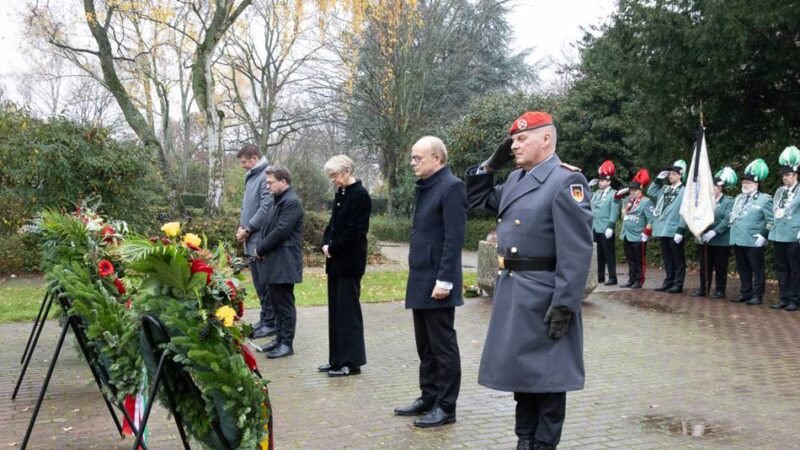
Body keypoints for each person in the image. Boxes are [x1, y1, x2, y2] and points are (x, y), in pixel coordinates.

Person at [465, 112, 592, 450]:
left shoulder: (566, 181)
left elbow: (576, 251)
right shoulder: (518, 180)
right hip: (514, 293)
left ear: (546, 140)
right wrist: (489, 167)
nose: (513, 145)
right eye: (512, 140)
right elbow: (477, 201)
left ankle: (542, 445)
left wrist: (565, 304)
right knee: (523, 380)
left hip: (545, 296)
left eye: (522, 138)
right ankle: (525, 442)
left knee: (549, 384)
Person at [393, 136, 466, 429]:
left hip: (438, 280)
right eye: (412, 158)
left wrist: (445, 280)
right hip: (421, 277)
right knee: (425, 345)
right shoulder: (427, 187)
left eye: (418, 158)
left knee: (443, 347)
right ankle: (429, 396)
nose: (413, 163)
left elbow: (453, 238)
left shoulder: (452, 186)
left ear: (437, 158)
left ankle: (446, 407)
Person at [319, 155, 371, 376]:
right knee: (336, 312)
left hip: (349, 262)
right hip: (335, 262)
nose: (333, 180)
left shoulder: (360, 196)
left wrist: (333, 248)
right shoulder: (340, 195)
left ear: (347, 171)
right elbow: (333, 224)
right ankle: (336, 359)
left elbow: (355, 231)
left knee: (348, 313)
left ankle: (351, 362)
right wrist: (324, 242)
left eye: (334, 175)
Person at [256, 166, 304, 358]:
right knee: (276, 303)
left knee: (284, 303)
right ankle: (279, 339)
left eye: (270, 182)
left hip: (284, 262)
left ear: (283, 181)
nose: (268, 186)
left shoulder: (291, 202)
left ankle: (286, 343)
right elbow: (268, 228)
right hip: (275, 261)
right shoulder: (278, 201)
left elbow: (281, 231)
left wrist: (260, 247)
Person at [236, 144, 275, 339]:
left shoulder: (264, 175)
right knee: (259, 284)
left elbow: (266, 207)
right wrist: (242, 227)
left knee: (265, 283)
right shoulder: (252, 175)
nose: (242, 166)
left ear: (253, 158)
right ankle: (265, 319)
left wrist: (248, 228)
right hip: (250, 240)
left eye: (244, 162)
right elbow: (249, 206)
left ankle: (271, 323)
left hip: (259, 241)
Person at [729, 159, 773, 305]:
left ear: (756, 184)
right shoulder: (739, 198)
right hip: (738, 239)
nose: (745, 185)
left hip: (754, 240)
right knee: (743, 268)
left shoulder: (764, 200)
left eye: (748, 183)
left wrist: (764, 234)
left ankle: (757, 295)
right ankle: (745, 292)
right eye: (743, 183)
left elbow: (772, 220)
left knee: (757, 269)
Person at [691, 168, 736, 298]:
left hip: (720, 240)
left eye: (714, 187)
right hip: (704, 239)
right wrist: (698, 230)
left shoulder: (728, 201)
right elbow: (697, 216)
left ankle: (720, 290)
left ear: (720, 188)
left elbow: (727, 219)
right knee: (705, 266)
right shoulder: (703, 201)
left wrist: (715, 232)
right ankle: (703, 288)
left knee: (720, 266)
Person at [768, 146, 800, 310]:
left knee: (795, 269)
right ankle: (784, 297)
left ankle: (795, 299)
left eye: (788, 175)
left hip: (794, 235)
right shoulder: (780, 191)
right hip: (778, 234)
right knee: (781, 268)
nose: (784, 178)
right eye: (783, 175)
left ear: (795, 174)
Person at [648, 160, 687, 294]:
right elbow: (651, 192)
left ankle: (678, 283)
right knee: (667, 258)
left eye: (673, 174)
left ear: (680, 175)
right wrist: (659, 179)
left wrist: (681, 229)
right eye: (669, 174)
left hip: (674, 229)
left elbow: (685, 211)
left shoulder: (685, 191)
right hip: (662, 229)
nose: (670, 176)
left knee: (678, 259)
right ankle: (669, 281)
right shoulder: (664, 189)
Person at [615, 169, 654, 289]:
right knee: (630, 259)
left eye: (635, 190)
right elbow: (616, 197)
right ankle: (631, 279)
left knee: (639, 260)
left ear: (640, 190)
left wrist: (646, 232)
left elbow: (651, 219)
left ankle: (639, 280)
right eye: (631, 190)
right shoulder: (627, 201)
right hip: (627, 234)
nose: (632, 193)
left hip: (638, 235)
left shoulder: (646, 202)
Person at [589, 160, 620, 285]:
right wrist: (589, 186)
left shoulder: (614, 194)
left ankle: (612, 277)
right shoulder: (596, 193)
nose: (600, 182)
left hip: (606, 227)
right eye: (599, 181)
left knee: (609, 254)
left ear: (609, 181)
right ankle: (600, 275)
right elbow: (589, 201)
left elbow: (614, 211)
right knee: (598, 254)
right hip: (595, 227)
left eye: (602, 181)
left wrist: (611, 226)